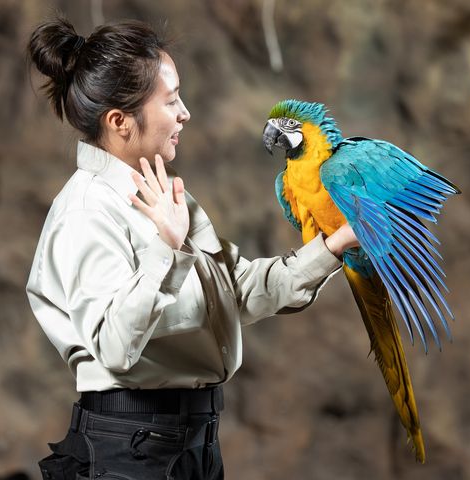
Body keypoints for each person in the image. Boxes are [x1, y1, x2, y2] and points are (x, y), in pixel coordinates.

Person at [25, 16, 359, 480]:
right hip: (130, 449)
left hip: (192, 444)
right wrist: (167, 248)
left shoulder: (159, 194)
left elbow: (235, 291)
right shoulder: (86, 211)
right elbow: (115, 347)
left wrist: (336, 244)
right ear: (119, 122)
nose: (185, 113)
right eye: (171, 99)